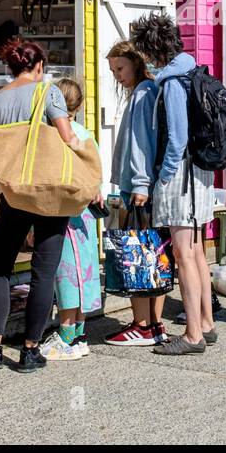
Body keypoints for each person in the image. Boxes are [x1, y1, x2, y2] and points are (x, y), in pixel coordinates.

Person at [0, 38, 78, 373]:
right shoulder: (49, 93)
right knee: (43, 272)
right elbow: (67, 138)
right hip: (48, 193)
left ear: (11, 67)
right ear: (40, 66)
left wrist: (5, 164)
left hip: (14, 193)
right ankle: (30, 350)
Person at [130, 12, 217, 356]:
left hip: (181, 176)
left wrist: (163, 178)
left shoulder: (172, 82)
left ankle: (193, 334)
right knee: (195, 252)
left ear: (152, 50)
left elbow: (177, 137)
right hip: (199, 175)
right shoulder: (193, 71)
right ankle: (207, 323)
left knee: (182, 255)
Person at [100, 41, 171, 348]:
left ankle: (141, 324)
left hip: (137, 187)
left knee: (135, 255)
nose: (117, 75)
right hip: (144, 186)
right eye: (113, 70)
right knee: (155, 254)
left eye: (120, 68)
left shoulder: (143, 93)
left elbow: (142, 142)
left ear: (135, 63)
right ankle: (155, 323)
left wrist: (140, 183)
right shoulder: (148, 91)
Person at [39, 77, 102, 362]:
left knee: (66, 273)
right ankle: (79, 332)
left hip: (64, 212)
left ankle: (65, 333)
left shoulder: (53, 135)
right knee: (84, 271)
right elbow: (95, 172)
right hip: (86, 215)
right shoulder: (85, 133)